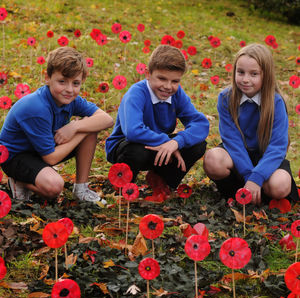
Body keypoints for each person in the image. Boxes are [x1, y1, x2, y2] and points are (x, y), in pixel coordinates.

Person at [0, 46, 114, 202]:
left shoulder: (71, 99)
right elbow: (51, 158)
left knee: (91, 127)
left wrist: (75, 126)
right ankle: (20, 181)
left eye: (75, 83)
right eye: (62, 81)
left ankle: (81, 189)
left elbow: (107, 119)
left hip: (42, 149)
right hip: (16, 157)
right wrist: (81, 131)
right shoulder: (37, 107)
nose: (69, 89)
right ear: (47, 78)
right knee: (54, 187)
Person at [105, 45, 209, 201]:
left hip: (159, 149)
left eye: (175, 81)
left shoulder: (176, 94)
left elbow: (201, 124)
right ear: (148, 74)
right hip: (127, 146)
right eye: (162, 78)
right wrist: (167, 141)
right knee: (136, 151)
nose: (168, 86)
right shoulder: (136, 93)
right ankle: (123, 185)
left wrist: (176, 142)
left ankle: (161, 179)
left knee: (198, 145)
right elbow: (133, 131)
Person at [203, 43, 299, 205]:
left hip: (266, 158)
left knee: (280, 185)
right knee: (213, 159)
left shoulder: (275, 102)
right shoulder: (226, 98)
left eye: (254, 74)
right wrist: (249, 176)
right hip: (237, 155)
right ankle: (237, 194)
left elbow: (277, 147)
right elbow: (232, 140)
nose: (245, 79)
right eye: (240, 72)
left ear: (266, 75)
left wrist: (257, 177)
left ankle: (261, 195)